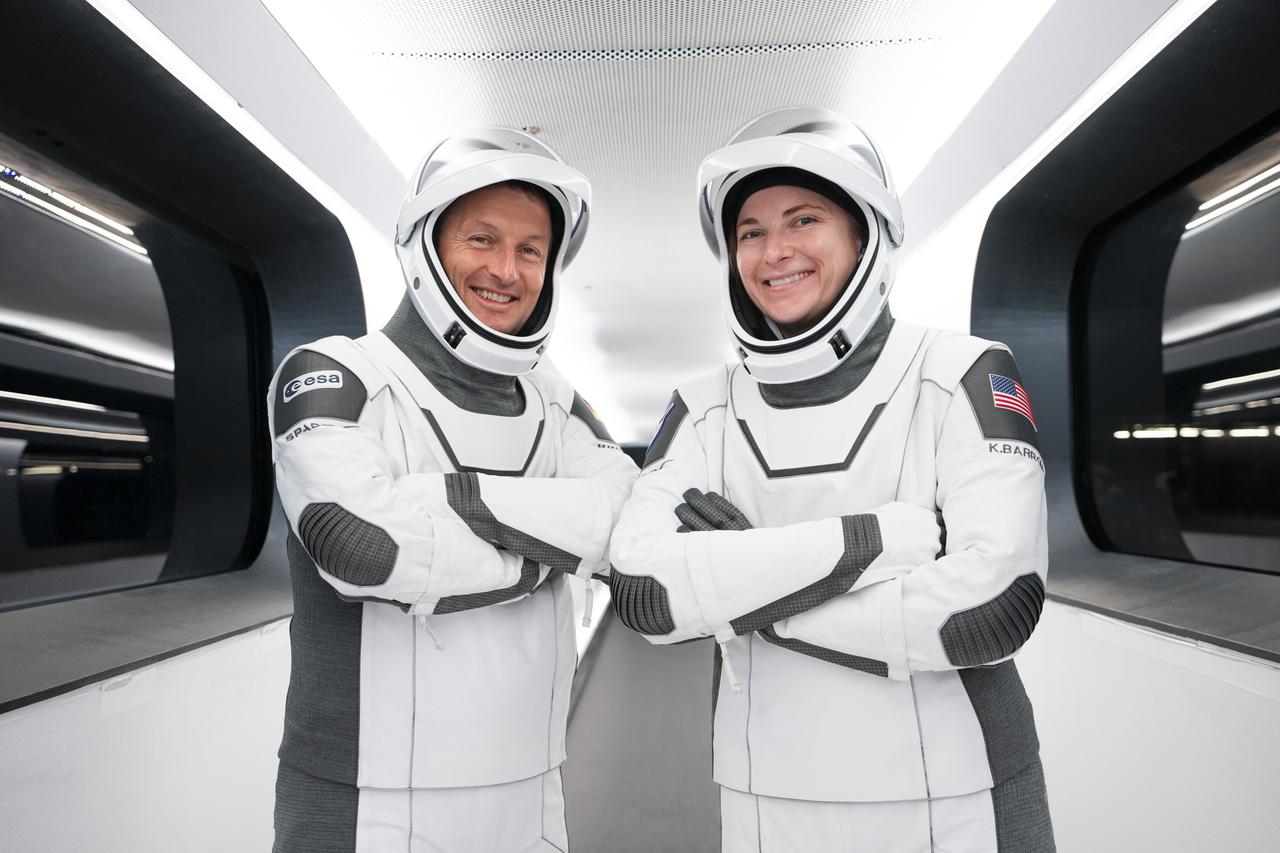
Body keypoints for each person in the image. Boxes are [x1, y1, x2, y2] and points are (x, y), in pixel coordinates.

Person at [608, 108, 1054, 852]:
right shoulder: (702, 406)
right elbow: (643, 590)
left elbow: (990, 606)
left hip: (958, 788)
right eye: (749, 231)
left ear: (865, 233)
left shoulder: (961, 373)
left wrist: (744, 586)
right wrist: (870, 547)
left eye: (803, 219)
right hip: (764, 790)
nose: (773, 251)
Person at [267, 127, 637, 852]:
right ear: (425, 244)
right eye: (481, 238)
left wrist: (450, 501)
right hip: (366, 797)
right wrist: (555, 550)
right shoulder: (336, 374)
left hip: (531, 786)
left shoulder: (552, 400)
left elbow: (629, 516)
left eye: (532, 250)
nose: (507, 269)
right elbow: (365, 549)